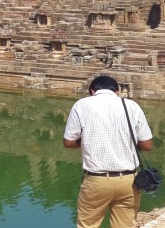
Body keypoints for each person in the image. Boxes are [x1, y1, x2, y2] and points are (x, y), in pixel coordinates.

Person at [63, 75, 154, 228]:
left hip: (96, 181)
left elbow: (68, 142)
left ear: (92, 91)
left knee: (87, 225)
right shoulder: (131, 106)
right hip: (128, 181)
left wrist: (85, 141)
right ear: (117, 91)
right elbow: (147, 145)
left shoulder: (81, 105)